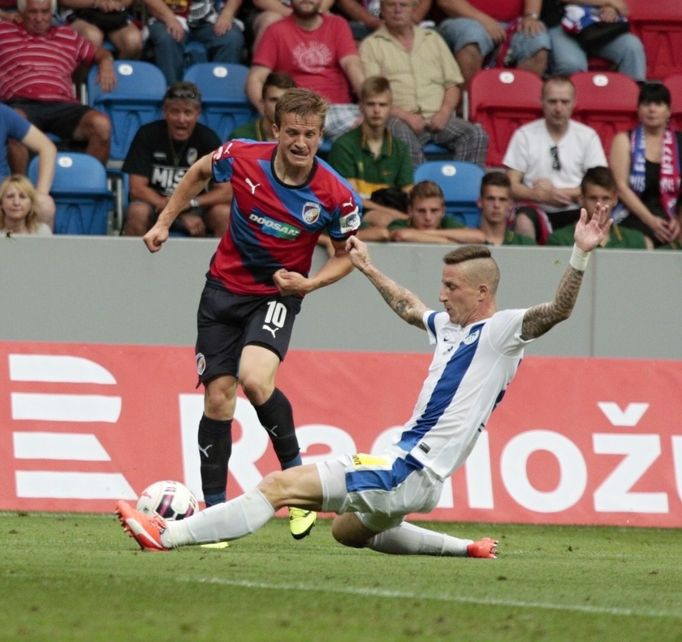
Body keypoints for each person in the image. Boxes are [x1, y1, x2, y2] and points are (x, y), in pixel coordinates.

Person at [116, 200, 612, 556]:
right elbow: (409, 306)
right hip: (421, 478)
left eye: (451, 287)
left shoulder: (501, 331)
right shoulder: (449, 328)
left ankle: (167, 535)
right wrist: (369, 268)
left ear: (482, 292)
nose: (442, 295)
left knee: (277, 487)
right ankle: (469, 549)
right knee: (348, 531)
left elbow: (559, 310)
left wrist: (581, 254)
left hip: (408, 468)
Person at [136, 88, 362, 539]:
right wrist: (163, 221)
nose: (302, 143)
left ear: (321, 137)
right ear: (275, 130)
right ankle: (215, 518)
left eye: (312, 135)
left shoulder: (336, 194)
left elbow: (346, 255)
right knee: (219, 398)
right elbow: (201, 170)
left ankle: (299, 486)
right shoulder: (243, 157)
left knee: (256, 379)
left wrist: (310, 284)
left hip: (277, 293)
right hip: (221, 290)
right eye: (293, 132)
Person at [360, 0, 488, 169]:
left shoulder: (432, 39)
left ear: (413, 9)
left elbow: (453, 84)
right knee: (399, 134)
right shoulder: (372, 45)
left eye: (404, 5)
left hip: (438, 117)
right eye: (391, 5)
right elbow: (374, 94)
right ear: (382, 10)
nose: (397, 10)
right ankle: (422, 191)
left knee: (476, 134)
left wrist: (444, 112)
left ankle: (462, 187)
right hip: (398, 118)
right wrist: (407, 116)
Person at [0, 0, 114, 166]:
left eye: (45, 12)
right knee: (15, 121)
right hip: (22, 103)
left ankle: (87, 184)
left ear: (52, 14)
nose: (39, 18)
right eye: (33, 12)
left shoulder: (67, 35)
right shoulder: (4, 32)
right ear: (21, 14)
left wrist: (106, 62)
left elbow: (100, 53)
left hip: (63, 105)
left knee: (101, 125)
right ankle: (23, 189)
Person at [503, 74, 607, 243]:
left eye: (564, 102)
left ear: (574, 103)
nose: (558, 108)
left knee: (594, 219)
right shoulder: (524, 135)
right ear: (541, 102)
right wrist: (536, 195)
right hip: (535, 208)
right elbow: (510, 184)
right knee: (523, 221)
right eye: (552, 101)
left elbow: (601, 186)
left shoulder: (588, 136)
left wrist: (555, 193)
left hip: (577, 208)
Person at [121, 82, 231, 237]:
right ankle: (133, 262)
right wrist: (175, 211)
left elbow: (225, 192)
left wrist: (191, 203)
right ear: (165, 111)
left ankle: (220, 262)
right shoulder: (147, 134)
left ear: (197, 113)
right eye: (175, 112)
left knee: (223, 213)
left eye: (188, 112)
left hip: (195, 207)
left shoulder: (208, 139)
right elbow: (137, 189)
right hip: (157, 205)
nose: (181, 119)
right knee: (137, 211)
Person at [246, 0, 365, 141]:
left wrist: (366, 101)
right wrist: (268, 113)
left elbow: (352, 65)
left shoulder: (337, 25)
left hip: (336, 109)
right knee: (298, 137)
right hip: (297, 111)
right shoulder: (276, 30)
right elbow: (256, 78)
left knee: (376, 124)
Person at [329, 76, 413, 241]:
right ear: (360, 106)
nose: (376, 110)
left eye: (382, 105)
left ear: (390, 108)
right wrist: (392, 213)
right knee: (383, 220)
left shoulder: (401, 148)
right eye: (371, 104)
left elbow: (407, 195)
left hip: (394, 215)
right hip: (354, 213)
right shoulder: (343, 145)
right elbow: (349, 199)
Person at [610, 82, 682, 249]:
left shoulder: (680, 142)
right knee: (642, 242)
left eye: (658, 104)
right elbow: (621, 188)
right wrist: (650, 220)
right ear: (638, 109)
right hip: (634, 213)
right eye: (646, 104)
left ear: (669, 111)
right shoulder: (623, 140)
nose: (652, 109)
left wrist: (678, 219)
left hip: (672, 213)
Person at [436, 0, 550, 84]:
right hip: (465, 19)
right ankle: (469, 105)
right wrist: (485, 21)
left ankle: (518, 105)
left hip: (513, 23)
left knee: (538, 42)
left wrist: (531, 16)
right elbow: (447, 2)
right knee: (473, 39)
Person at [142, 0, 245, 85]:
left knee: (232, 38)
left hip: (212, 18)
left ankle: (222, 91)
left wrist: (227, 14)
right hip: (168, 16)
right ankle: (173, 94)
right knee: (167, 38)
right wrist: (169, 18)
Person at [547, 166, 652, 249]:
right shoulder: (560, 240)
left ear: (615, 199)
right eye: (593, 198)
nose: (599, 205)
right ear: (581, 199)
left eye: (606, 198)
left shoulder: (636, 241)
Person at [541, 0, 646, 82]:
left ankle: (633, 100)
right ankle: (566, 105)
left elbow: (623, 9)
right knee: (572, 66)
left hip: (596, 27)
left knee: (632, 46)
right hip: (562, 25)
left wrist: (610, 8)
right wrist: (608, 2)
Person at [0, 103, 56, 229]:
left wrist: (41, 192)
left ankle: (39, 249)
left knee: (44, 206)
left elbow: (47, 147)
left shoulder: (3, 113)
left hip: (2, 192)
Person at [388, 180, 486, 244]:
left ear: (443, 211)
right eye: (421, 211)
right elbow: (402, 235)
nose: (428, 217)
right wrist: (447, 242)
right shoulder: (400, 223)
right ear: (410, 211)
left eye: (434, 211)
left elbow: (479, 237)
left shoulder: (447, 222)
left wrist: (430, 233)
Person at [59, 0, 143, 59]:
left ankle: (116, 76)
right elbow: (64, 1)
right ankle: (83, 80)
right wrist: (96, 2)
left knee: (133, 40)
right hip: (80, 13)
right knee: (93, 37)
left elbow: (127, 2)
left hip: (114, 15)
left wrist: (115, 3)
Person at [228, 72, 296, 141]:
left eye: (285, 100)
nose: (279, 106)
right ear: (263, 103)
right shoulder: (241, 138)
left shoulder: (301, 139)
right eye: (274, 100)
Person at [477, 171, 536, 246]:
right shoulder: (466, 240)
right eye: (490, 199)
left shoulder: (525, 243)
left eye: (502, 199)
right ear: (480, 202)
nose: (496, 205)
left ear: (510, 205)